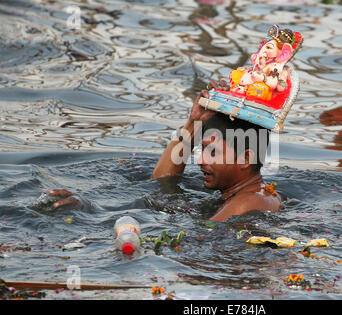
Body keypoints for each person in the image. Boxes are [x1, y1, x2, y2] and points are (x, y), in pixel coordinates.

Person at [48, 80, 282, 222]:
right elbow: (160, 185)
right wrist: (193, 123)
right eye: (201, 149)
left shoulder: (246, 203)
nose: (199, 160)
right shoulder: (252, 194)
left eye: (211, 152)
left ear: (245, 158)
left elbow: (199, 238)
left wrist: (93, 212)